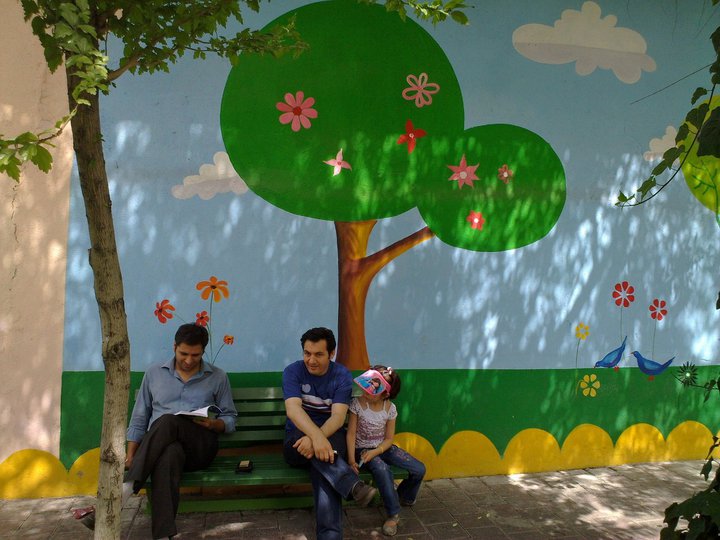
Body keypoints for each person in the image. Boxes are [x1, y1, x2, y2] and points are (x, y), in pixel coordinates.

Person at [78, 323, 237, 540]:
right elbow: (140, 417)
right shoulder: (154, 374)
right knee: (169, 453)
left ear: (203, 351)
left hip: (200, 446)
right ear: (174, 347)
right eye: (183, 354)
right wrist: (131, 455)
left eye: (195, 355)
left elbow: (230, 417)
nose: (189, 360)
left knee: (168, 421)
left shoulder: (217, 376)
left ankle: (125, 491)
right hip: (163, 447)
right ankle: (163, 535)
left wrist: (214, 424)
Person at [282, 327, 377, 540]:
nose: (311, 360)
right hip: (296, 441)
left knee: (324, 460)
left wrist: (317, 440)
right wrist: (317, 439)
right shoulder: (293, 372)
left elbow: (338, 417)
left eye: (318, 354)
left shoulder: (341, 375)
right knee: (326, 454)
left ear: (331, 353)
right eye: (307, 353)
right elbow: (293, 410)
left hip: (331, 436)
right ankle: (352, 486)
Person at [346, 365, 426, 537]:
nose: (366, 390)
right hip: (362, 450)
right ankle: (393, 514)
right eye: (367, 385)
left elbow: (389, 439)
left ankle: (403, 497)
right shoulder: (357, 404)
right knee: (382, 470)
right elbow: (351, 433)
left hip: (384, 448)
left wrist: (377, 451)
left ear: (385, 394)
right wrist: (352, 460)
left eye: (373, 388)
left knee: (419, 469)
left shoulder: (390, 409)